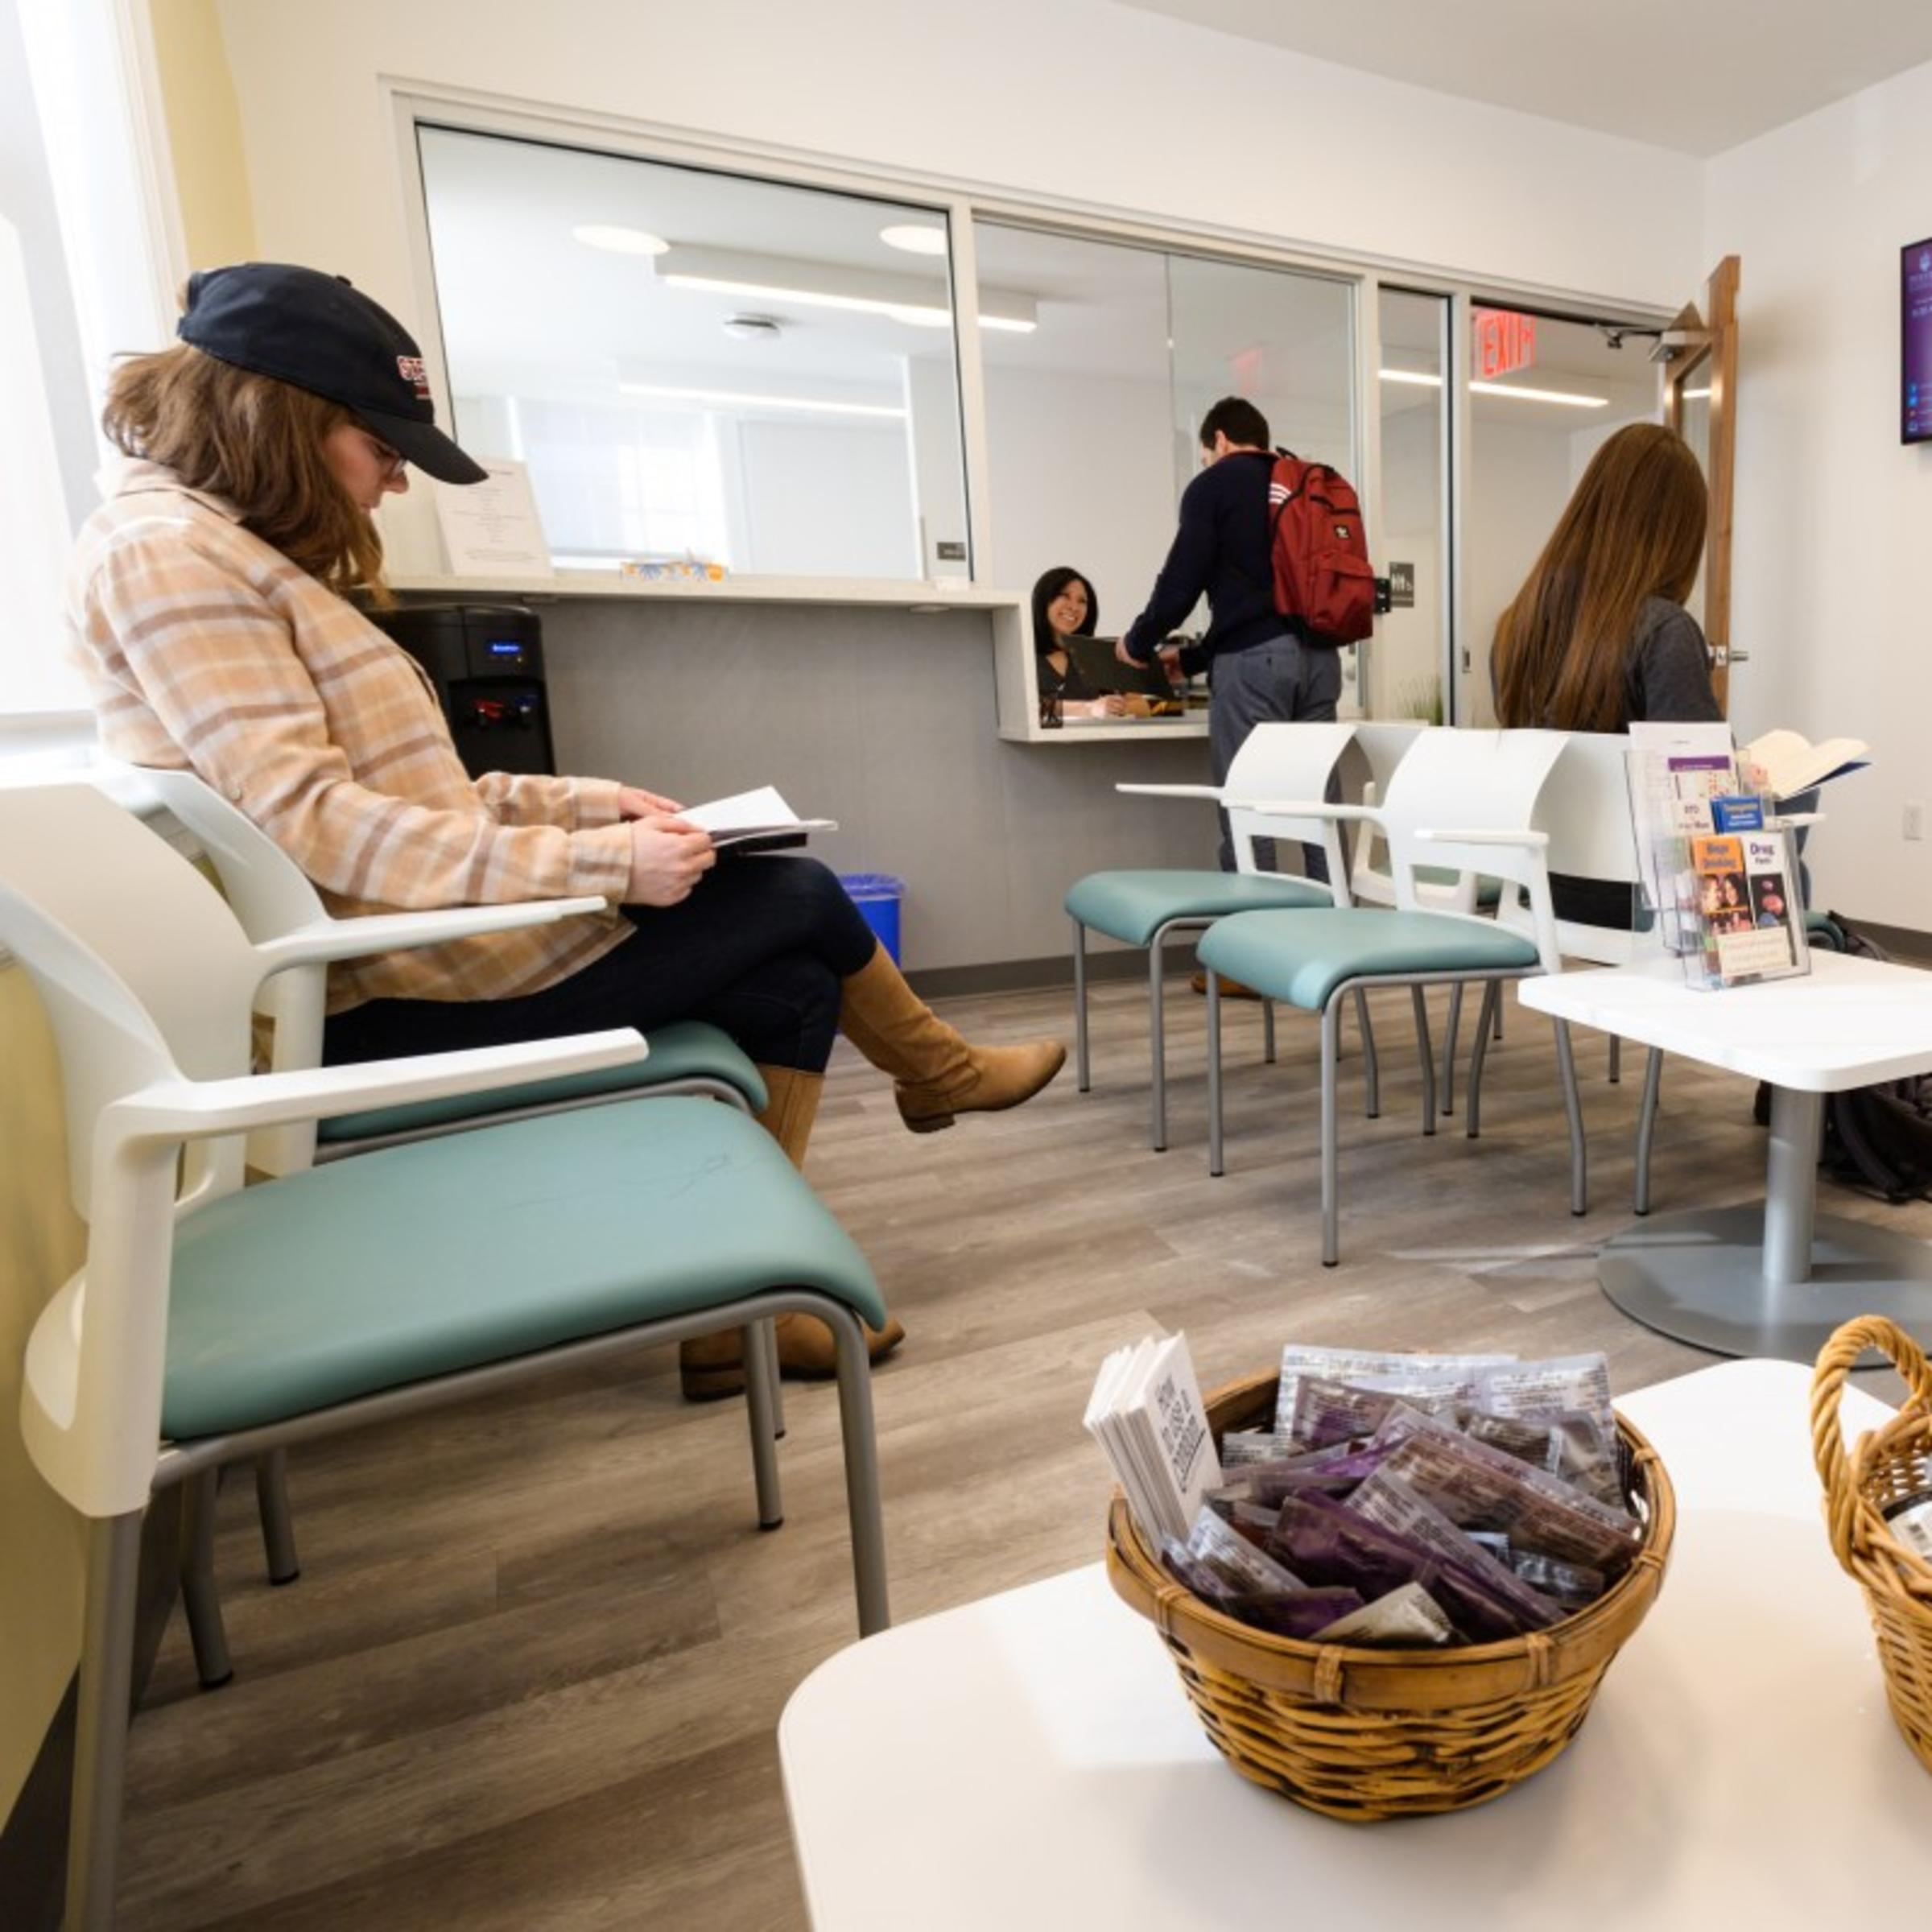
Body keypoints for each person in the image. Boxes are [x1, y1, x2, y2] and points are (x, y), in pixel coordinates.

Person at [67, 262, 1065, 1402]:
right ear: (288, 415)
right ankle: (934, 1077)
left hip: (414, 958)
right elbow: (319, 828)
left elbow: (416, 799)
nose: (394, 483)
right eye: (383, 449)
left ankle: (736, 1307)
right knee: (794, 898)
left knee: (790, 979)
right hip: (371, 1005)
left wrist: (600, 804)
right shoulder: (170, 557)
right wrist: (605, 867)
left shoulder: (225, 553)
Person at [1491, 421, 1723, 928]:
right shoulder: (1665, 630)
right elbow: (1699, 797)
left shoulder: (1517, 626)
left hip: (1541, 885)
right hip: (1639, 898)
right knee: (1790, 846)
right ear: (1676, 534)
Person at [1116, 397, 1341, 881]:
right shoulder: (1301, 481)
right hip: (1322, 658)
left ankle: (1257, 939)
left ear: (1218, 440)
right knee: (1320, 803)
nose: (1206, 463)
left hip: (1257, 666)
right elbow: (1265, 596)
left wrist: (1137, 643)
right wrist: (1194, 659)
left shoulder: (1214, 485)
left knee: (1248, 802)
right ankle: (1335, 934)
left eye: (1204, 454)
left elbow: (1181, 583)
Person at [1031, 567, 1129, 720]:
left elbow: (1140, 705)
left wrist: (1117, 706)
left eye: (1082, 601)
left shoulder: (1094, 657)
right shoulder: (1022, 655)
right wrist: (1087, 708)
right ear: (1044, 600)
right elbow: (1024, 709)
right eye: (1065, 596)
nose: (1074, 607)